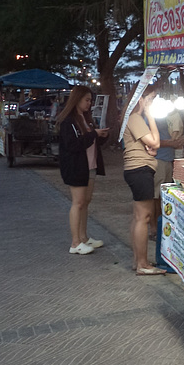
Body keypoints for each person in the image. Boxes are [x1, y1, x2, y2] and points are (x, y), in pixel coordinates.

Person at [57, 85, 110, 255]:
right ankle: (75, 242)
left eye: (90, 101)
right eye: (86, 100)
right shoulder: (69, 121)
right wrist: (94, 134)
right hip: (76, 166)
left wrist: (100, 136)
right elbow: (73, 144)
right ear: (77, 100)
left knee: (85, 202)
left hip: (90, 164)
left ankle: (83, 237)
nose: (89, 104)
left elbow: (90, 142)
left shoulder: (86, 119)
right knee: (78, 202)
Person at [121, 84, 166, 275]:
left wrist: (151, 147)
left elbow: (151, 145)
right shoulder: (135, 118)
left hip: (137, 169)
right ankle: (142, 264)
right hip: (140, 170)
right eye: (151, 99)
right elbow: (156, 142)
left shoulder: (132, 119)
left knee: (139, 217)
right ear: (141, 99)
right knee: (143, 217)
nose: (153, 103)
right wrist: (150, 115)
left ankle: (138, 261)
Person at [151, 111, 184, 239]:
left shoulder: (174, 114)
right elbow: (148, 139)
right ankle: (155, 227)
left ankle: (163, 224)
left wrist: (181, 139)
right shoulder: (152, 114)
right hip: (157, 159)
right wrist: (171, 143)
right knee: (155, 196)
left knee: (165, 194)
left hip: (169, 158)